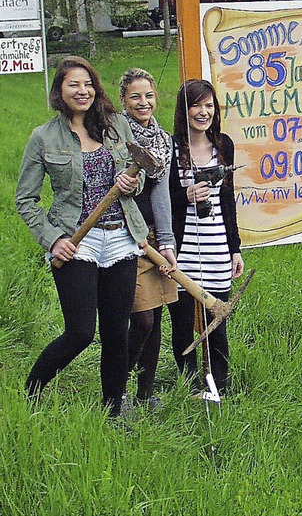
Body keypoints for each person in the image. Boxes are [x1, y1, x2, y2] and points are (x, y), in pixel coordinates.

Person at [15, 56, 148, 417]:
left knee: (116, 331)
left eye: (88, 84)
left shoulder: (117, 126)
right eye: (74, 84)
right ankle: (31, 391)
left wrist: (131, 183)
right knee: (80, 332)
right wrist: (52, 239)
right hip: (76, 241)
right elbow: (25, 199)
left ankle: (114, 408)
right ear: (59, 90)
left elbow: (139, 181)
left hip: (120, 236)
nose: (83, 91)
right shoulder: (44, 137)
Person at [168, 79, 243, 395]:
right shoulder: (171, 148)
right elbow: (160, 200)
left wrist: (235, 249)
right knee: (183, 324)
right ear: (184, 110)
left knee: (217, 322)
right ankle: (189, 383)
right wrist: (183, 194)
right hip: (183, 250)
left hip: (217, 247)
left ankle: (218, 386)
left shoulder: (223, 145)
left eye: (209, 105)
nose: (203, 112)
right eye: (196, 105)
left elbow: (229, 198)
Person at [120, 68, 178, 408]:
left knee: (155, 316)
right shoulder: (114, 136)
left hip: (153, 237)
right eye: (135, 97)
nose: (143, 103)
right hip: (125, 235)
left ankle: (145, 392)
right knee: (140, 317)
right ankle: (119, 388)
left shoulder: (163, 140)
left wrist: (166, 241)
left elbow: (161, 194)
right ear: (124, 100)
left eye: (149, 96)